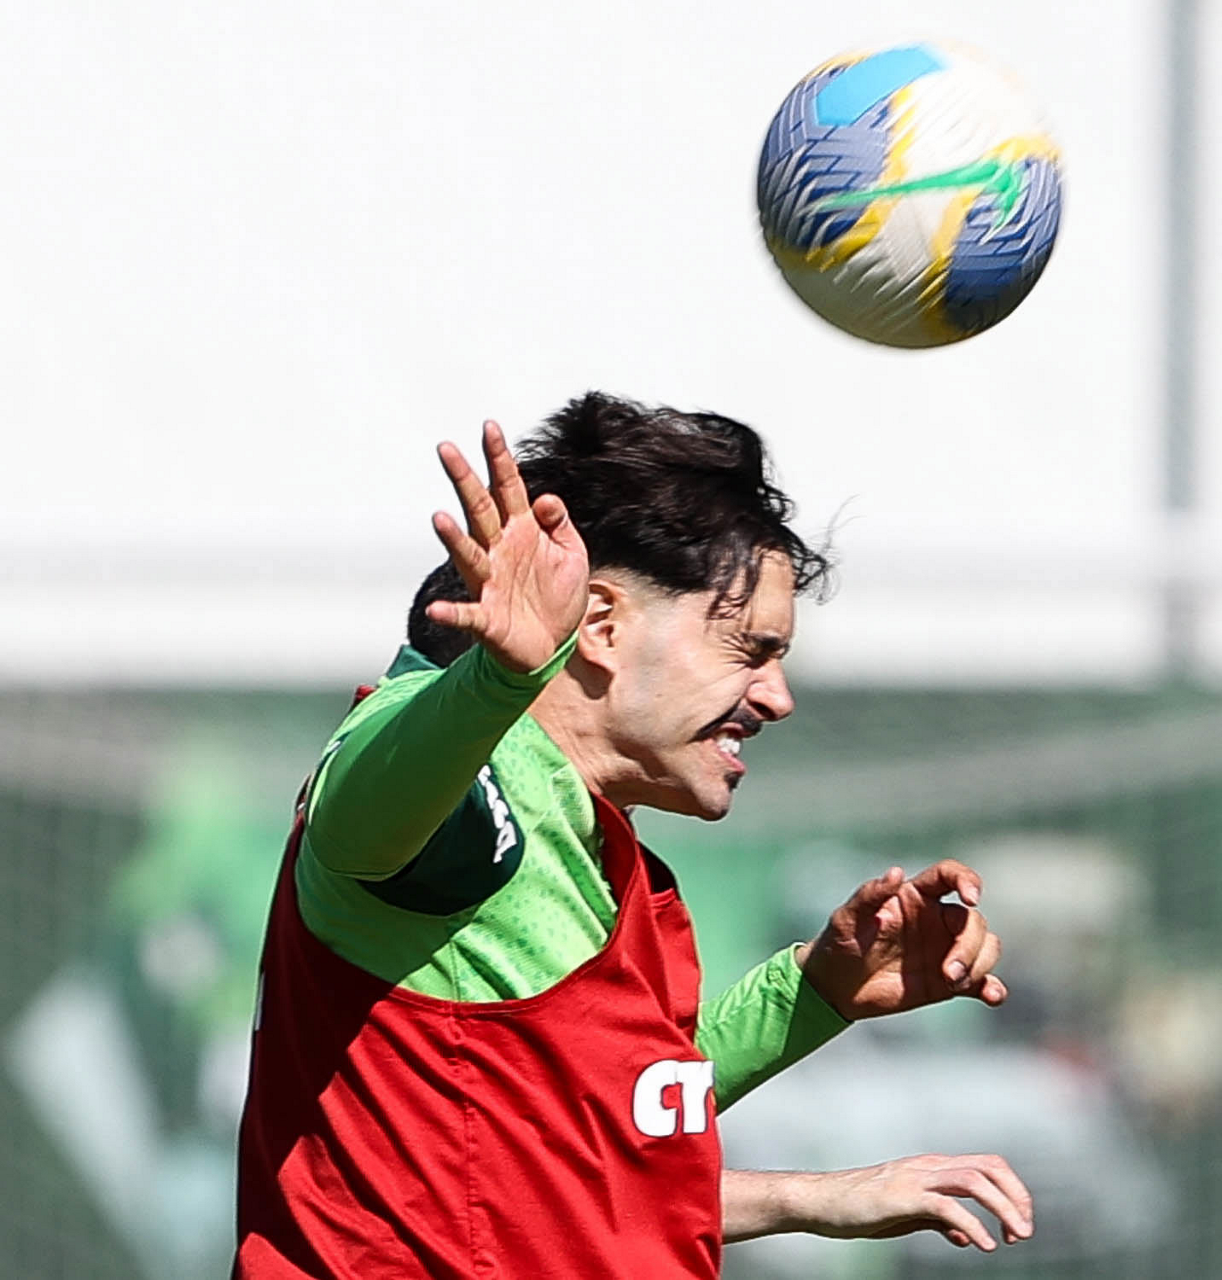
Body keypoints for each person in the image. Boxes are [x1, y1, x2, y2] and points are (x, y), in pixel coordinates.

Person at [235, 393, 1033, 1278]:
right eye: (749, 649)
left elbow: (584, 1150)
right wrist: (496, 683)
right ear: (602, 625)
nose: (777, 698)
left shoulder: (597, 846)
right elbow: (358, 823)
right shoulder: (470, 795)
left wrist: (814, 998)